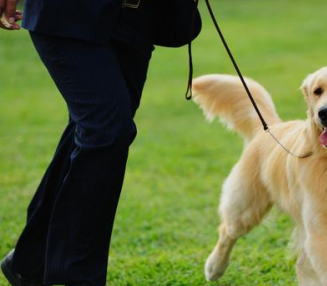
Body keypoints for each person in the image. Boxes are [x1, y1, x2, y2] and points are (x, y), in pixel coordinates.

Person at [0, 0, 201, 285]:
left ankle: (31, 260)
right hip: (68, 12)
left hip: (138, 18)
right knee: (106, 128)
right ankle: (74, 277)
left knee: (96, 130)